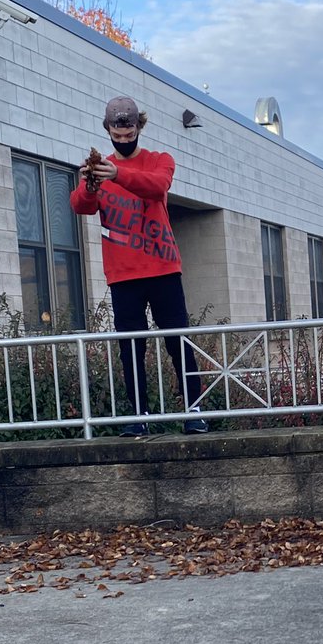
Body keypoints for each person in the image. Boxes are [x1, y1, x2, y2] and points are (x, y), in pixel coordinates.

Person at [70, 95, 207, 436]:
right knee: (131, 346)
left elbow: (157, 186)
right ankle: (140, 414)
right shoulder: (100, 170)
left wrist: (117, 173)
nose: (124, 136)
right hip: (123, 274)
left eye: (130, 129)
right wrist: (90, 183)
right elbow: (80, 206)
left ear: (139, 126)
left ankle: (194, 410)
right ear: (109, 130)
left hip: (163, 267)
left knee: (178, 341)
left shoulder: (159, 160)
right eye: (118, 130)